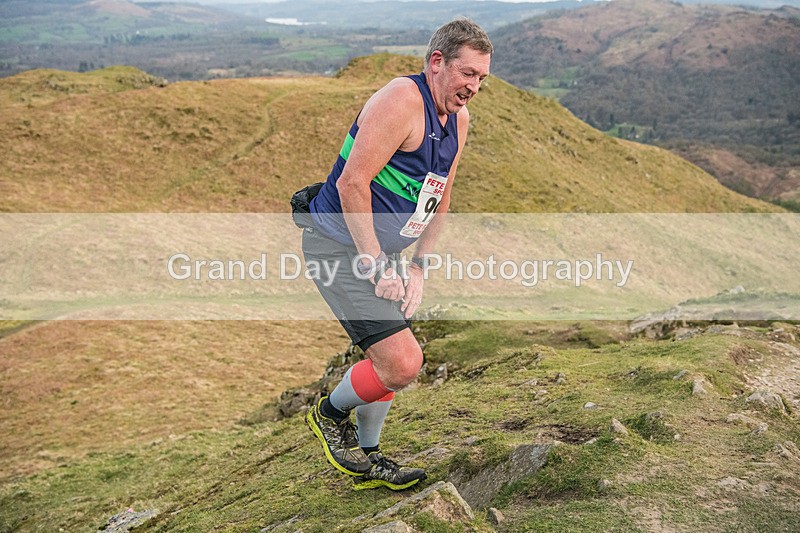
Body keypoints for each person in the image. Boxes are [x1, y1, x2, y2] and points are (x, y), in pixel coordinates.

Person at [300, 18, 492, 491]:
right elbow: (352, 182)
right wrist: (372, 262)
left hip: (382, 253)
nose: (474, 86)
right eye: (467, 73)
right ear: (436, 62)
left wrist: (418, 267)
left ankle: (369, 458)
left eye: (482, 78)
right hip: (338, 246)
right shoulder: (402, 101)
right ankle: (327, 415)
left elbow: (441, 196)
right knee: (402, 362)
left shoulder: (458, 120)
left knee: (389, 355)